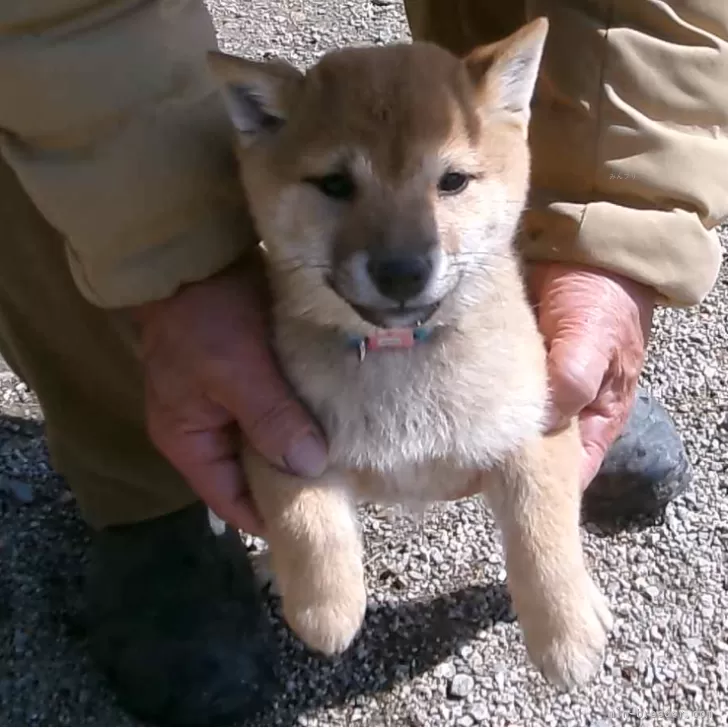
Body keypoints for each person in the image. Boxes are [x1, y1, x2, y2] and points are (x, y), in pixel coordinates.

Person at [0, 0, 724, 723]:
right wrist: (171, 276)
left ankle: (575, 348)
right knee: (42, 132)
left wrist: (621, 232)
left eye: (451, 182)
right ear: (260, 124)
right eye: (338, 187)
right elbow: (285, 457)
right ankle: (147, 504)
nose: (402, 251)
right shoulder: (284, 330)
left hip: (491, 337)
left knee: (540, 423)